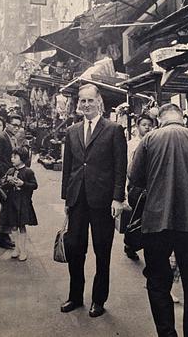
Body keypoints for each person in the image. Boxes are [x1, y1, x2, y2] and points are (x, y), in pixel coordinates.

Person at [130, 103, 188, 337]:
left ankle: (167, 334)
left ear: (160, 119)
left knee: (158, 283)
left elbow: (135, 178)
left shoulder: (149, 140)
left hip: (156, 222)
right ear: (182, 119)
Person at [61, 84, 127, 317]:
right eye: (82, 101)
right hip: (78, 199)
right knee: (75, 249)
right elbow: (68, 168)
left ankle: (99, 300)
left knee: (102, 251)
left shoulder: (114, 130)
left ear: (99, 102)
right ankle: (75, 296)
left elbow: (121, 167)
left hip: (103, 201)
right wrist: (67, 200)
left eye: (90, 100)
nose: (86, 105)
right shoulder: (72, 131)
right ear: (78, 104)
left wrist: (118, 198)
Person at [124, 114, 154, 261]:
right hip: (136, 187)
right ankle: (130, 244)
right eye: (144, 124)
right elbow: (127, 168)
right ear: (137, 126)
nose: (147, 127)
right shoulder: (131, 144)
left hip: (151, 187)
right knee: (136, 218)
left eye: (149, 124)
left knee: (148, 219)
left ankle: (146, 246)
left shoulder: (155, 142)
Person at [1, 147, 38, 261]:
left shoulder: (28, 171)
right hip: (12, 202)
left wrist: (23, 184)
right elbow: (4, 185)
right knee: (13, 225)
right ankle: (16, 248)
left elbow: (34, 185)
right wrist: (8, 182)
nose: (12, 159)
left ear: (22, 158)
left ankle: (23, 250)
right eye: (12, 157)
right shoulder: (10, 171)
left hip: (23, 202)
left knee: (21, 226)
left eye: (15, 157)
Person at [0, 114, 22, 249]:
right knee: (6, 206)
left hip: (10, 176)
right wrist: (5, 176)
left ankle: (3, 234)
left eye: (18, 125)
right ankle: (1, 237)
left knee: (9, 206)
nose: (16, 127)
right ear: (7, 124)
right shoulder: (1, 138)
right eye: (14, 125)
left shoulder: (12, 137)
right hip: (3, 178)